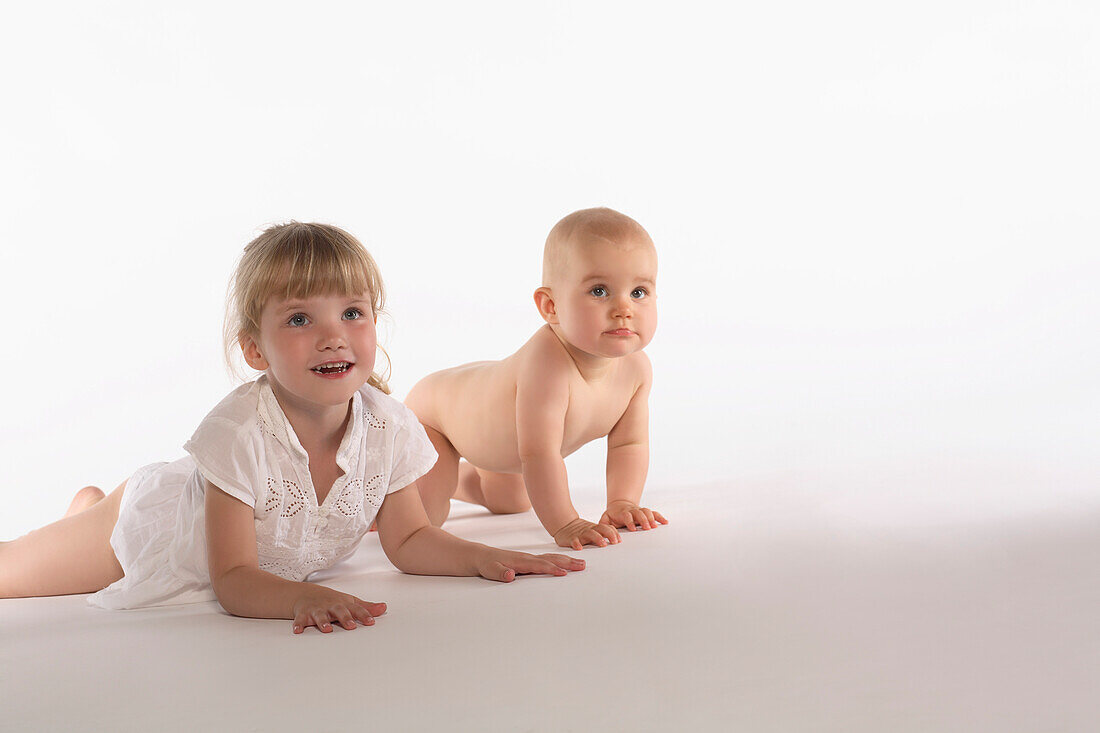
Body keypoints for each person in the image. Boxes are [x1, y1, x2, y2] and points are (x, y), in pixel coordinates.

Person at [0, 222, 583, 633]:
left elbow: (407, 540)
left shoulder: (389, 428)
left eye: (352, 313)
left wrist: (481, 557)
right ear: (255, 349)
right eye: (300, 318)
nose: (333, 335)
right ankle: (95, 515)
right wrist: (300, 596)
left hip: (227, 544)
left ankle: (84, 505)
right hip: (159, 535)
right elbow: (232, 578)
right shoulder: (237, 432)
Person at [406, 207, 668, 551]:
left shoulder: (637, 370)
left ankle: (456, 480)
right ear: (550, 306)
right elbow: (539, 454)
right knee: (425, 520)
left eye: (638, 292)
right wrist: (566, 523)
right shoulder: (547, 365)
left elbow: (628, 444)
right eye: (600, 291)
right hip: (437, 417)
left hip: (502, 446)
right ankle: (385, 494)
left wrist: (622, 502)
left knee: (512, 500)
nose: (624, 308)